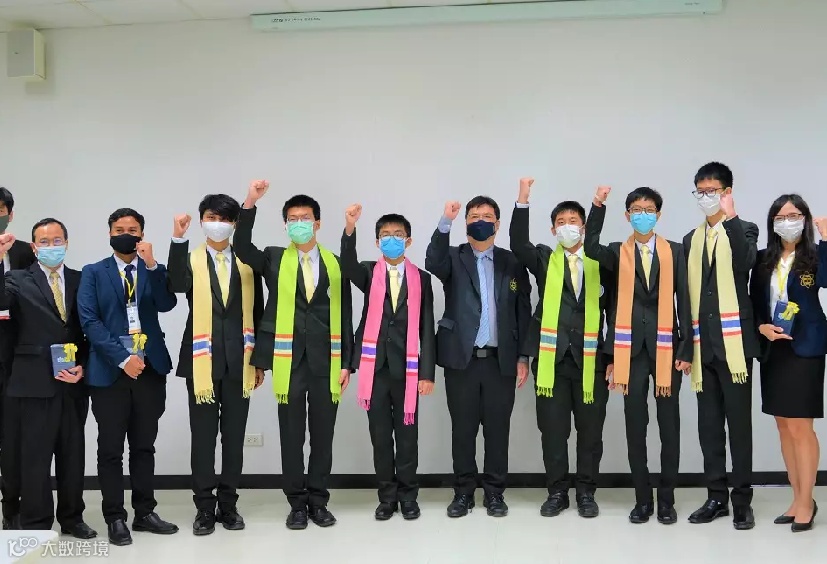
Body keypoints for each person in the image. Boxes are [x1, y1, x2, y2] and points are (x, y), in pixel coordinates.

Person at [234, 181, 354, 531]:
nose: (299, 223)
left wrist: (347, 362)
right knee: (291, 436)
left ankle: (319, 501)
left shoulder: (335, 264)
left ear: (318, 223)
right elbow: (241, 246)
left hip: (327, 361)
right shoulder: (273, 257)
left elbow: (346, 314)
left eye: (305, 218)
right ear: (285, 224)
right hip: (288, 361)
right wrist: (250, 201)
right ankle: (297, 504)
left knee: (323, 436)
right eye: (292, 219)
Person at [584, 185, 692, 525]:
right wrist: (597, 205)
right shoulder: (618, 252)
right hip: (629, 352)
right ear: (627, 215)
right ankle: (643, 500)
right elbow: (589, 247)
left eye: (648, 210)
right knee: (635, 428)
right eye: (636, 210)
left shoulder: (675, 251)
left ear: (658, 214)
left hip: (667, 349)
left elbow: (685, 301)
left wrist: (687, 347)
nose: (642, 215)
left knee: (669, 427)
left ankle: (667, 500)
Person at [509, 178, 612, 518]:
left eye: (573, 221)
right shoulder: (544, 259)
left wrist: (598, 206)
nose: (567, 226)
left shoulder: (601, 260)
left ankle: (586, 493)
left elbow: (615, 310)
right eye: (561, 222)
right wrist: (523, 199)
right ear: (553, 230)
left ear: (583, 227)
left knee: (590, 434)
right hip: (551, 361)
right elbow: (518, 243)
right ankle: (557, 492)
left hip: (592, 362)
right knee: (553, 432)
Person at [77, 208, 179, 546]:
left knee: (144, 446)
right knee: (110, 449)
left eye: (132, 229)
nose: (126, 234)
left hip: (150, 369)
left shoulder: (152, 269)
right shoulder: (93, 272)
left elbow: (166, 304)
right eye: (119, 229)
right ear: (109, 233)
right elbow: (89, 321)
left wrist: (152, 265)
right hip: (109, 371)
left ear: (142, 234)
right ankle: (115, 517)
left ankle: (145, 513)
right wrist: (123, 359)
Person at [425, 196, 531, 518]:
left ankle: (495, 493)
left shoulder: (512, 262)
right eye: (474, 216)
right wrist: (446, 220)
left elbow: (522, 309)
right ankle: (463, 493)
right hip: (462, 359)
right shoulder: (453, 258)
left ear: (497, 224)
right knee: (463, 429)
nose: (480, 221)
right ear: (466, 223)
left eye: (487, 216)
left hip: (501, 361)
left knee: (498, 430)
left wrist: (523, 356)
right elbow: (432, 260)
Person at [167, 194, 265, 536]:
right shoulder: (191, 259)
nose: (218, 223)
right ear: (202, 220)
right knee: (204, 438)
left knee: (234, 439)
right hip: (202, 361)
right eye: (212, 216)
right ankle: (204, 508)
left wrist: (260, 361)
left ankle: (229, 505)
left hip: (241, 361)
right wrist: (177, 238)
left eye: (225, 218)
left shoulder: (247, 262)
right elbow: (175, 285)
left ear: (235, 224)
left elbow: (258, 312)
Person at [0, 222, 95, 538]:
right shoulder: (17, 279)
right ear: (34, 246)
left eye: (57, 240)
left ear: (66, 242)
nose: (51, 245)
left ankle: (72, 518)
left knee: (72, 455)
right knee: (35, 457)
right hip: (33, 382)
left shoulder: (81, 279)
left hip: (72, 382)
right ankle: (36, 522)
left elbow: (89, 329)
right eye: (44, 241)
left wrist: (83, 366)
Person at [341, 205, 436, 521]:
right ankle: (387, 498)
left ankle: (408, 497)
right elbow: (348, 264)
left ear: (408, 241)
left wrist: (427, 373)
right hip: (375, 368)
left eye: (398, 235)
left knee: (407, 438)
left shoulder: (421, 278)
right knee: (380, 438)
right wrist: (350, 227)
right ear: (377, 241)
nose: (392, 239)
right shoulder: (369, 272)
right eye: (385, 235)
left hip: (408, 370)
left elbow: (426, 327)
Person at [683, 162, 759, 530]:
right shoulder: (690, 240)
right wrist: (685, 348)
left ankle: (742, 500)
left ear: (727, 192)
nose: (705, 197)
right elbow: (686, 298)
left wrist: (731, 218)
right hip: (704, 348)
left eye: (712, 191)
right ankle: (716, 497)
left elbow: (745, 264)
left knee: (739, 427)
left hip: (735, 347)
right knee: (709, 428)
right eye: (700, 191)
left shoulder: (745, 229)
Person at [749, 194, 827, 533]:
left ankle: (807, 501)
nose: (787, 222)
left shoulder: (815, 255)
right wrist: (761, 327)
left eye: (794, 215)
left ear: (805, 219)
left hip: (805, 348)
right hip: (774, 347)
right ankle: (797, 499)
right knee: (783, 424)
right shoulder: (763, 259)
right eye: (780, 217)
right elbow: (754, 301)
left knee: (801, 427)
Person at [0, 187, 35, 530]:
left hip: (14, 360)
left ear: (10, 214)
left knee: (12, 439)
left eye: (0, 209)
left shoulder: (24, 251)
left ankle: (11, 509)